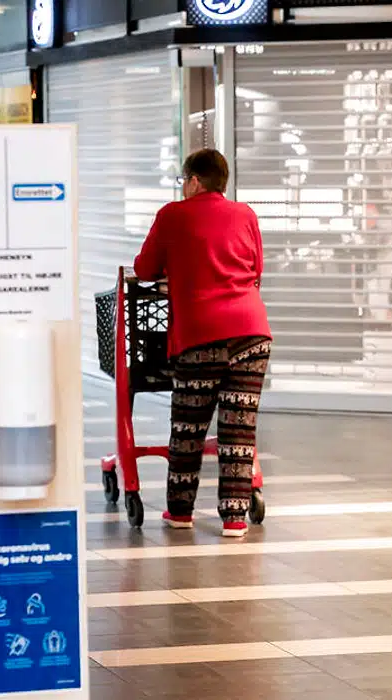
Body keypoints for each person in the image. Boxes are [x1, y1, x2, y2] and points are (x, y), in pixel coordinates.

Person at [133, 149, 270, 539]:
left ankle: (180, 512)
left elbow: (144, 269)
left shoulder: (172, 215)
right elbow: (257, 269)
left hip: (200, 335)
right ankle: (234, 519)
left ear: (193, 180)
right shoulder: (245, 215)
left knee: (189, 428)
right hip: (251, 332)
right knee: (238, 429)